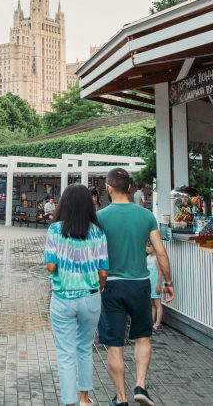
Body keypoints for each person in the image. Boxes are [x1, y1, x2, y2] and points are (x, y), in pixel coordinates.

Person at [97, 168, 172, 406]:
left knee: (114, 343)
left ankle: (121, 398)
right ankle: (140, 385)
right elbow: (160, 251)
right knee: (142, 337)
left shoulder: (100, 217)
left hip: (111, 285)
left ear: (108, 187)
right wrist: (168, 282)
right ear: (129, 187)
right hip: (140, 285)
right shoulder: (146, 216)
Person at [43, 183, 108, 406]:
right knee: (84, 348)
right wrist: (99, 287)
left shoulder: (55, 230)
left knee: (65, 352)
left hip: (62, 297)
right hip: (91, 297)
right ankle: (84, 398)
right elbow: (103, 270)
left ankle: (69, 401)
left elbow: (51, 266)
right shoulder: (97, 231)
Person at [146, 242, 162, 332]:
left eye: (148, 246)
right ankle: (151, 322)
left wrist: (159, 285)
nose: (146, 248)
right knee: (152, 304)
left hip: (156, 284)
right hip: (150, 284)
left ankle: (158, 323)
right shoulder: (148, 258)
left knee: (157, 304)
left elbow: (160, 272)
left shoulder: (157, 259)